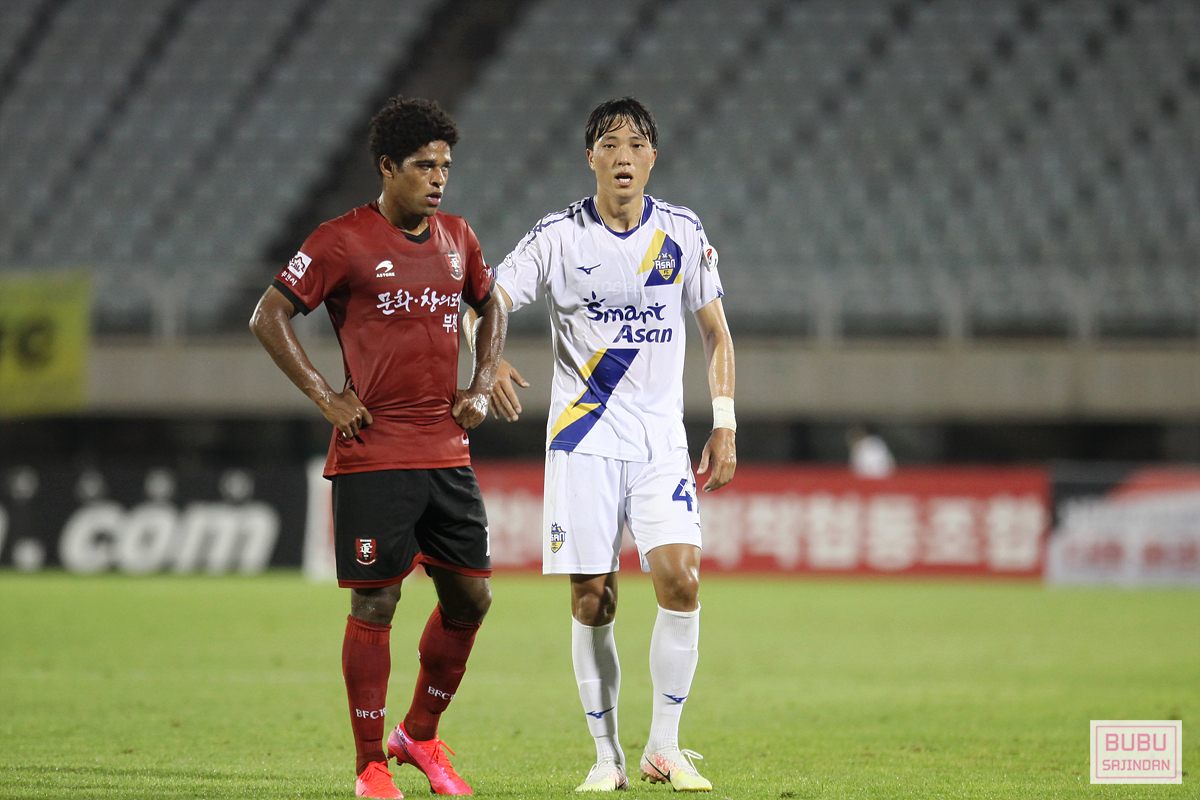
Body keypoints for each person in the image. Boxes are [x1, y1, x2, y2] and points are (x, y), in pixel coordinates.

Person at [467, 97, 736, 792]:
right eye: (610, 144)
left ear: (653, 158)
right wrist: (486, 359)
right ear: (590, 157)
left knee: (682, 579)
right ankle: (608, 757)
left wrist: (725, 422)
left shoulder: (681, 231)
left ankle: (664, 747)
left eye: (637, 144)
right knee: (594, 600)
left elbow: (716, 333)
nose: (624, 156)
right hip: (583, 440)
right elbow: (486, 300)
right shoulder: (558, 237)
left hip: (659, 442)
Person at [250, 96, 507, 799]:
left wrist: (482, 381)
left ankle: (418, 735)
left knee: (472, 598)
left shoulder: (459, 237)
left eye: (445, 166)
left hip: (446, 451)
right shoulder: (341, 239)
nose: (438, 178)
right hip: (375, 451)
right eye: (424, 166)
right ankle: (370, 765)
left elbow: (492, 304)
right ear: (388, 167)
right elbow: (269, 314)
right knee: (376, 605)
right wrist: (325, 396)